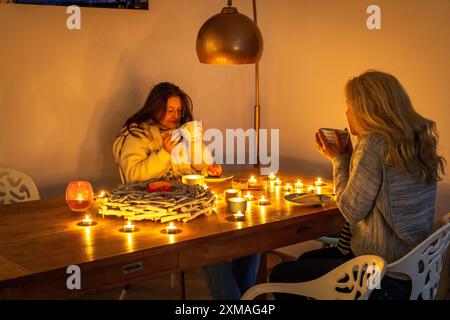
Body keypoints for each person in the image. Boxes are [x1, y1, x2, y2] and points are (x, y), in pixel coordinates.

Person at [270, 70, 446, 300]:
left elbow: (352, 210)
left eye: (349, 106)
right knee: (306, 262)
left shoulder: (373, 144)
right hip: (413, 271)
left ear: (366, 111)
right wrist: (353, 159)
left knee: (282, 275)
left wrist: (338, 160)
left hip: (381, 278)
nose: (347, 113)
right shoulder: (417, 140)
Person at [112, 81, 260, 299]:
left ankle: (242, 298)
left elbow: (193, 166)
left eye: (179, 111)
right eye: (170, 110)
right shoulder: (137, 135)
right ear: (155, 107)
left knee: (251, 232)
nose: (175, 115)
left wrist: (208, 168)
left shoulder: (181, 133)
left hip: (190, 202)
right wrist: (163, 152)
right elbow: (133, 177)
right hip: (158, 210)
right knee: (210, 245)